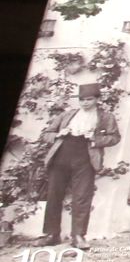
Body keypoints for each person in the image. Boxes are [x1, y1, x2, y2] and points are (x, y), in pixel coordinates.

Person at [35, 83, 120, 249]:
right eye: (82, 100)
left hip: (85, 159)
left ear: (97, 99)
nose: (85, 103)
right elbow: (46, 134)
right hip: (61, 157)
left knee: (82, 197)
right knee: (54, 195)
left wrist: (95, 139)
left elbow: (115, 137)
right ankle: (51, 235)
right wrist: (58, 134)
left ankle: (78, 236)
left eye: (89, 99)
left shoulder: (105, 117)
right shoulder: (67, 115)